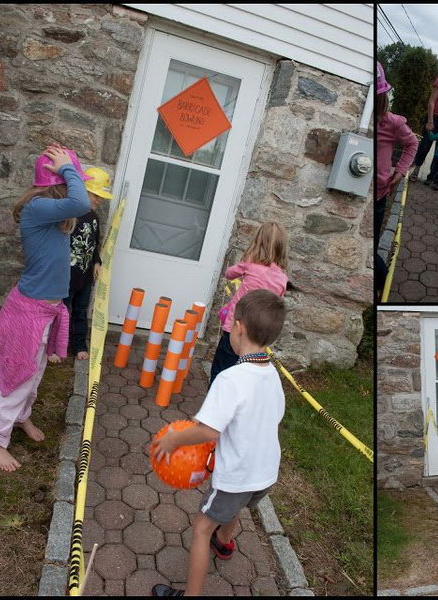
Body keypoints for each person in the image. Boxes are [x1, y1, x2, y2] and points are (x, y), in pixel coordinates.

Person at [150, 289, 286, 597]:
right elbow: (273, 415)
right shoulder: (272, 374)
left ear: (238, 327)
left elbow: (208, 431)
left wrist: (174, 438)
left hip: (236, 477)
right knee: (235, 507)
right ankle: (224, 544)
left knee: (200, 529)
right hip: (265, 473)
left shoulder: (231, 378)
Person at [0, 144, 93, 471]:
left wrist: (67, 170)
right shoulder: (37, 206)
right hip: (27, 313)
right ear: (56, 182)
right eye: (69, 179)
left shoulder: (50, 214)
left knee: (34, 374)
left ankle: (19, 418)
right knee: (15, 377)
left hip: (44, 312)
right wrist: (67, 167)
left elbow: (79, 204)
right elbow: (81, 201)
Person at [209, 222, 288, 387]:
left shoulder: (250, 265)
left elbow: (229, 273)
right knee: (244, 377)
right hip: (258, 335)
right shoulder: (282, 279)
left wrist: (244, 263)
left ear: (257, 242)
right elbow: (277, 301)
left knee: (221, 371)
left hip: (235, 330)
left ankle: (215, 404)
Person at [376, 60, 417, 298]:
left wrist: (400, 171)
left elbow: (413, 143)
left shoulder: (391, 122)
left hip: (380, 195)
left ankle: (382, 281)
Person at [64, 168, 114, 359]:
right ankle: (55, 346)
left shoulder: (93, 217)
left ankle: (78, 344)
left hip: (85, 276)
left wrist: (96, 262)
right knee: (62, 309)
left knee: (80, 310)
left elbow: (94, 242)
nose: (99, 200)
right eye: (96, 195)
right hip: (67, 274)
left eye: (101, 197)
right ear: (82, 191)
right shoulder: (70, 215)